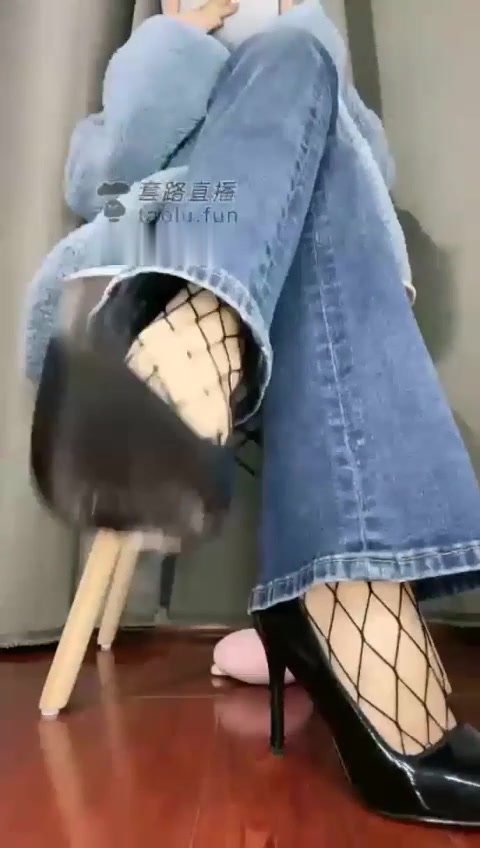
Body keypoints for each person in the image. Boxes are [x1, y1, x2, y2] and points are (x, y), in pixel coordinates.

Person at [27, 8, 480, 827]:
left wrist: (303, 65)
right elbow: (107, 176)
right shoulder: (162, 50)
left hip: (283, 313)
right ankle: (349, 612)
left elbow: (365, 180)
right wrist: (179, 42)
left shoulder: (304, 51)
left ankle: (190, 365)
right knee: (293, 68)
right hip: (152, 274)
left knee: (305, 85)